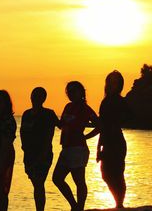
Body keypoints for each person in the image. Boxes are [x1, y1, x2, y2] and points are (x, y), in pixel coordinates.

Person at [52, 81, 98, 211]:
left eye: (73, 90)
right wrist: (51, 118)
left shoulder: (85, 108)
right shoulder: (68, 107)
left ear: (81, 92)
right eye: (69, 91)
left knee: (79, 180)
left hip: (78, 148)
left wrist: (86, 137)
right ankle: (74, 205)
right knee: (57, 178)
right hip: (66, 148)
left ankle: (79, 208)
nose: (71, 94)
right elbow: (61, 125)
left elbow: (99, 125)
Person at [20, 87, 60, 211]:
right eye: (33, 95)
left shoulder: (49, 114)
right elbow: (22, 131)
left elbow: (60, 126)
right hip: (29, 154)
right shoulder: (27, 114)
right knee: (36, 184)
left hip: (44, 153)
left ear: (43, 99)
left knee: (38, 183)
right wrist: (24, 147)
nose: (35, 98)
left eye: (38, 96)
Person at [97, 71, 129, 208]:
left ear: (120, 84)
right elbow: (102, 125)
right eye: (110, 81)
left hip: (117, 140)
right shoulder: (105, 101)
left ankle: (119, 204)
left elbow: (130, 116)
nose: (112, 84)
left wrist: (116, 122)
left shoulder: (120, 101)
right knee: (106, 174)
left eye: (115, 81)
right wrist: (98, 148)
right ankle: (118, 203)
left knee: (117, 172)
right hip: (107, 141)